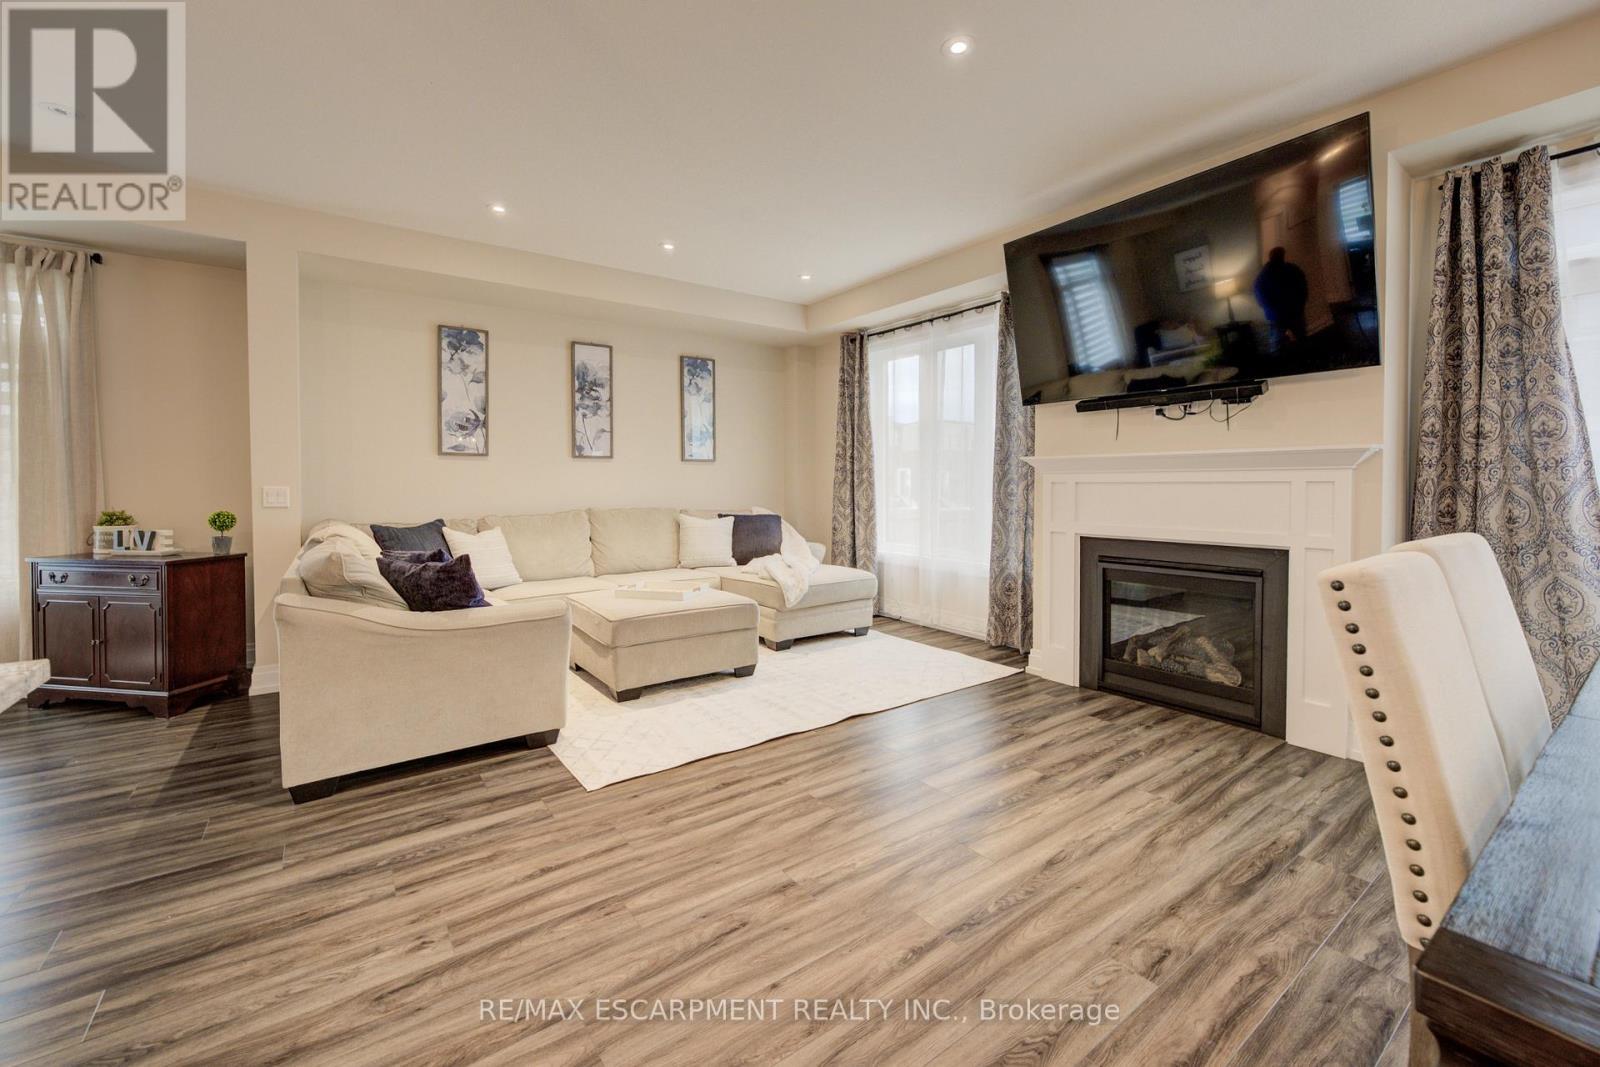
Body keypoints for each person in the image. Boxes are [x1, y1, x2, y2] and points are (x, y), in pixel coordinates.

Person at [1253, 247, 1308, 353]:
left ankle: (1280, 363)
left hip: (1279, 314)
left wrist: (1270, 309)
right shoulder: (1292, 269)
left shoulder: (1264, 275)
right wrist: (1300, 304)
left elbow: (1260, 296)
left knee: (1277, 342)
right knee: (1299, 337)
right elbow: (1303, 288)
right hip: (1290, 311)